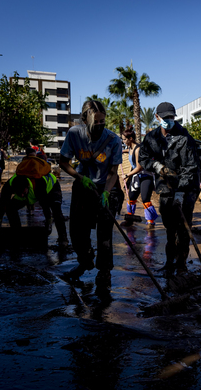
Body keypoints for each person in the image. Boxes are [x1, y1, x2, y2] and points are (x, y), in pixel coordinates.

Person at [58, 100, 123, 285]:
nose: (100, 126)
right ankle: (85, 262)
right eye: (97, 123)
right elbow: (63, 163)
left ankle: (104, 272)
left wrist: (107, 193)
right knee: (78, 232)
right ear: (85, 120)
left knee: (104, 235)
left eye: (103, 122)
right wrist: (80, 178)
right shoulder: (74, 134)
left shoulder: (113, 140)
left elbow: (113, 172)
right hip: (82, 186)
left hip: (106, 187)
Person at [139, 102, 200, 276]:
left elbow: (190, 167)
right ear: (157, 118)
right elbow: (143, 158)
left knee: (183, 227)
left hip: (187, 187)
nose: (169, 120)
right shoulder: (151, 138)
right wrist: (156, 166)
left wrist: (181, 192)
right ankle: (169, 262)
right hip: (165, 186)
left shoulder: (184, 136)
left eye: (171, 117)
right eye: (165, 118)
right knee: (169, 227)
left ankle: (181, 265)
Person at [0, 172, 69, 247]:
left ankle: (63, 239)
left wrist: (48, 222)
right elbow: (2, 204)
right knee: (10, 208)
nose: (22, 195)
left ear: (28, 186)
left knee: (56, 211)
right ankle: (17, 233)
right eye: (19, 193)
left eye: (23, 192)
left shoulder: (39, 185)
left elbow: (45, 206)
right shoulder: (8, 186)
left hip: (52, 189)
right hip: (30, 194)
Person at [120, 129, 158, 229]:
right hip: (137, 177)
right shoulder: (131, 148)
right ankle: (130, 219)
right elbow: (129, 151)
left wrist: (127, 175)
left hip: (146, 176)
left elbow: (139, 167)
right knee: (131, 198)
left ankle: (150, 221)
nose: (123, 141)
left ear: (130, 139)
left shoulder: (138, 149)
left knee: (145, 199)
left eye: (124, 139)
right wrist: (121, 151)